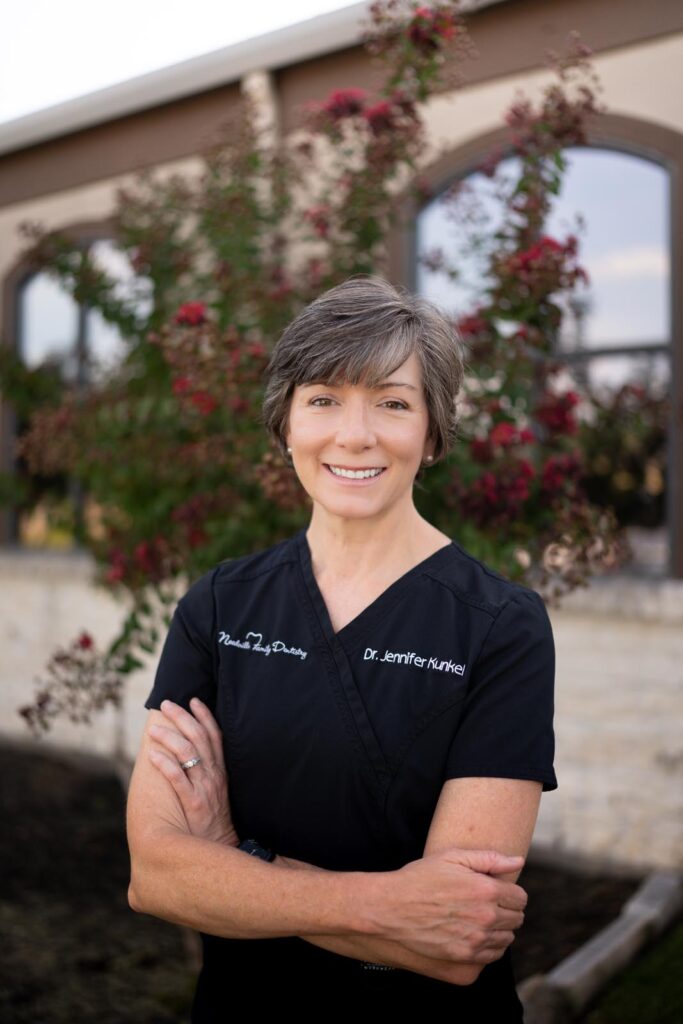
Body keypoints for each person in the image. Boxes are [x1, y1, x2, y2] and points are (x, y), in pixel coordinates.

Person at [126, 274, 558, 1020]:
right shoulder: (219, 606)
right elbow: (157, 878)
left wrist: (239, 863)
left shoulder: (501, 626)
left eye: (391, 403)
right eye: (323, 399)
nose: (354, 435)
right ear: (286, 424)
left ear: (430, 435)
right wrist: (389, 906)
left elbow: (456, 937)